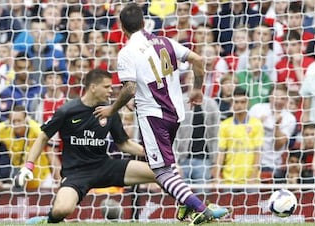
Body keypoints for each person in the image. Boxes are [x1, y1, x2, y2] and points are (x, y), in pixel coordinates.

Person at [93, 3, 229, 225]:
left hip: (153, 117)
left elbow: (128, 88)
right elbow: (198, 60)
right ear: (144, 22)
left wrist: (111, 109)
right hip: (176, 113)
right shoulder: (165, 41)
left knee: (160, 171)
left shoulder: (127, 52)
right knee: (166, 163)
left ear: (121, 27)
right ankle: (186, 207)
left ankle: (202, 209)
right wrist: (197, 89)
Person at [15, 69, 157, 224]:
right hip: (76, 173)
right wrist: (28, 166)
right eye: (107, 86)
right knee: (61, 210)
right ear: (93, 87)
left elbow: (123, 143)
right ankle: (47, 221)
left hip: (104, 166)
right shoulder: (67, 111)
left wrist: (151, 154)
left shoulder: (110, 112)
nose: (111, 90)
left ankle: (187, 208)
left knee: (161, 174)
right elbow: (43, 137)